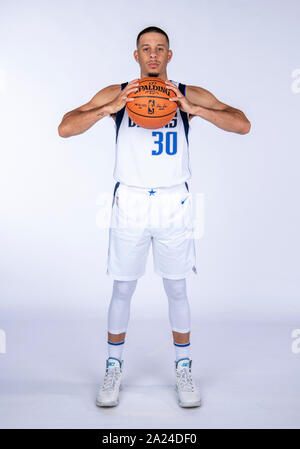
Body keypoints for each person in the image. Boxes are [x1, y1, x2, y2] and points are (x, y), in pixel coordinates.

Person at [58, 26, 251, 408]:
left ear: (169, 55)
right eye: (145, 49)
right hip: (129, 200)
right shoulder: (118, 93)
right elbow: (65, 127)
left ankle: (184, 368)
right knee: (123, 288)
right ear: (136, 55)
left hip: (172, 201)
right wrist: (106, 110)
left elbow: (242, 123)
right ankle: (113, 367)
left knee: (177, 288)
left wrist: (196, 111)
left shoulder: (186, 93)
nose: (152, 55)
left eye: (159, 49)